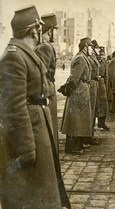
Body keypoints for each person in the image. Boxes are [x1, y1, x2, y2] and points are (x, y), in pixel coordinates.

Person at [0, 5, 70, 209]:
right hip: (28, 134)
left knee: (37, 198)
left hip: (37, 127)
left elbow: (39, 87)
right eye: (41, 29)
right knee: (27, 199)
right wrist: (26, 147)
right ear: (34, 30)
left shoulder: (24, 53)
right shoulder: (14, 56)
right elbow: (13, 107)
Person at [60, 37, 93, 154]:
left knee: (79, 120)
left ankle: (77, 144)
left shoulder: (82, 57)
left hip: (81, 91)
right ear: (85, 47)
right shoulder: (81, 58)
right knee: (75, 120)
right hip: (78, 92)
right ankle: (72, 147)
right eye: (90, 47)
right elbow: (75, 78)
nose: (92, 50)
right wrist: (68, 89)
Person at [34, 13, 59, 151]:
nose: (56, 34)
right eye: (55, 30)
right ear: (50, 30)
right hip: (47, 94)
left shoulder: (42, 45)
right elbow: (40, 77)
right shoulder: (45, 47)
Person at [95, 45, 110, 131]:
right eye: (99, 55)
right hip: (94, 83)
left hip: (102, 84)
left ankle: (102, 123)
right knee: (94, 105)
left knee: (103, 104)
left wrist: (106, 87)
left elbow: (106, 75)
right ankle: (92, 124)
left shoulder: (104, 62)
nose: (100, 56)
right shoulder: (93, 60)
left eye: (102, 55)